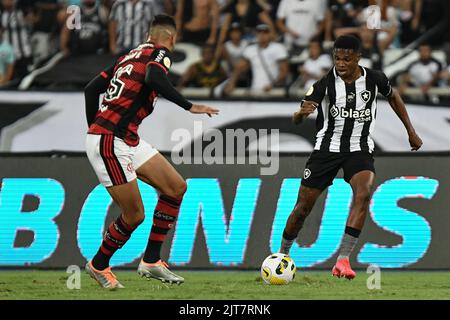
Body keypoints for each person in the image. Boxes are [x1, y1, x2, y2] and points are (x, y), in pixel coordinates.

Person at [84, 14, 219, 289]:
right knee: (134, 215)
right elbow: (154, 76)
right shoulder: (159, 53)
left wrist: (95, 126)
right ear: (172, 38)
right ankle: (98, 265)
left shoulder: (129, 56)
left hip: (124, 138)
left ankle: (152, 261)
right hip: (110, 140)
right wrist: (188, 105)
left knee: (175, 187)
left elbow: (91, 89)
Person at [279, 35, 423, 279]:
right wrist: (301, 114)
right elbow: (296, 117)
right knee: (303, 207)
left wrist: (410, 131)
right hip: (326, 150)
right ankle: (282, 255)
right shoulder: (324, 84)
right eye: (337, 58)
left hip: (359, 149)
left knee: (364, 193)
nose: (341, 63)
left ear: (358, 57)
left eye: (347, 58)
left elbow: (394, 97)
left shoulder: (375, 78)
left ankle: (343, 260)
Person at [224, 23, 288, 95]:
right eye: (259, 32)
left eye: (265, 32)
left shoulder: (278, 48)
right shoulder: (250, 49)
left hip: (273, 91)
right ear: (256, 34)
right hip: (255, 90)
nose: (262, 35)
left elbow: (284, 71)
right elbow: (239, 68)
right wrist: (232, 83)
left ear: (270, 34)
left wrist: (273, 85)